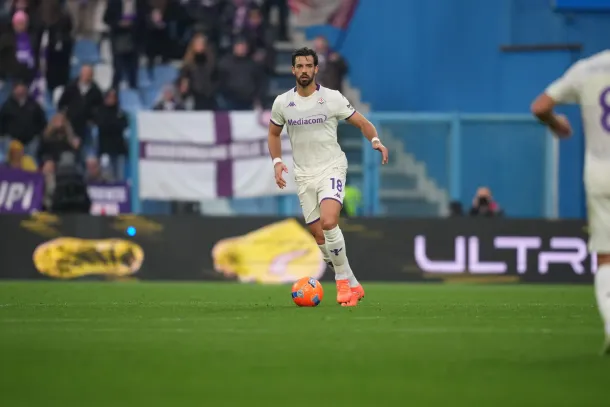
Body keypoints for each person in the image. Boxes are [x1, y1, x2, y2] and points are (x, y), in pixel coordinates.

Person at [267, 47, 389, 307]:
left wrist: (376, 141)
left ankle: (342, 283)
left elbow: (363, 123)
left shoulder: (332, 98)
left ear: (316, 69)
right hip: (304, 175)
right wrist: (277, 162)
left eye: (308, 66)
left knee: (329, 221)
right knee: (320, 237)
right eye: (299, 66)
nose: (304, 70)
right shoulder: (282, 103)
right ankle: (353, 282)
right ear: (293, 70)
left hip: (331, 167)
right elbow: (273, 134)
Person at [531, 49, 610, 354]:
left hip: (600, 172)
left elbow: (540, 106)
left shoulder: (586, 69)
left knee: (606, 256)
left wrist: (555, 123)